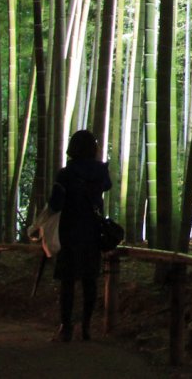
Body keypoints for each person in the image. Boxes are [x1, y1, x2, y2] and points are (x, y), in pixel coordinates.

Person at [47, 130, 111, 341]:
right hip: (92, 232)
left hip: (69, 232)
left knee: (68, 281)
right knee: (89, 280)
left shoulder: (65, 174)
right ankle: (86, 327)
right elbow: (107, 186)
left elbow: (56, 203)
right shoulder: (101, 171)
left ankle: (66, 327)